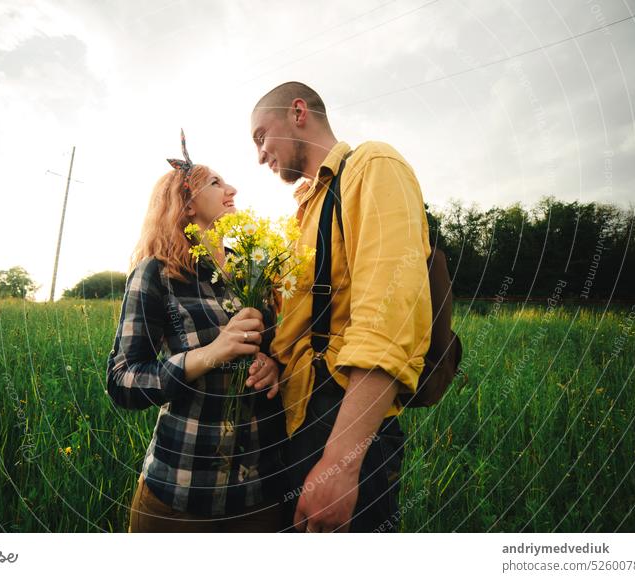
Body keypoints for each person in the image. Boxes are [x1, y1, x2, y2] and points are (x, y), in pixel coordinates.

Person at [249, 82, 432, 533]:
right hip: (300, 419)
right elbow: (305, 319)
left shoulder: (373, 166)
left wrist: (341, 464)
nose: (259, 156)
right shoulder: (305, 209)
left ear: (297, 113)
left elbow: (388, 319)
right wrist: (271, 357)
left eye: (260, 136)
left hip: (345, 425)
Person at [106, 131, 287, 532]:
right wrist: (209, 354)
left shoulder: (254, 267)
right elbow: (122, 380)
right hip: (180, 492)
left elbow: (282, 351)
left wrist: (274, 366)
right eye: (216, 183)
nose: (232, 188)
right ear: (186, 204)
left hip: (259, 494)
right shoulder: (157, 273)